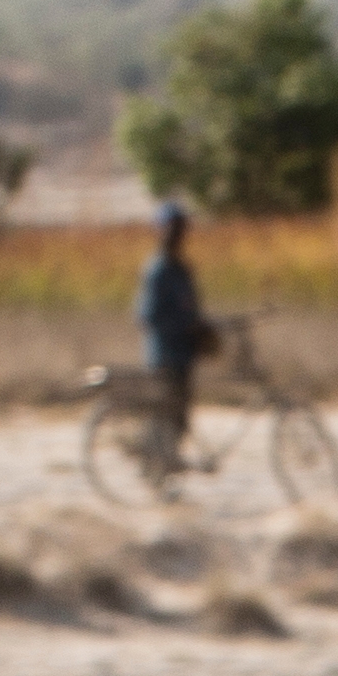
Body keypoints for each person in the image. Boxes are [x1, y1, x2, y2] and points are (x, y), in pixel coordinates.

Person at [132, 198, 215, 478]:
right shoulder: (157, 272)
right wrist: (184, 328)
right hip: (165, 356)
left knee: (180, 420)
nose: (177, 235)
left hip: (185, 355)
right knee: (165, 418)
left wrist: (201, 328)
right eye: (172, 229)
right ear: (162, 232)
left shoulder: (183, 271)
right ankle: (154, 470)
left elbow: (193, 309)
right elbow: (147, 317)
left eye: (181, 229)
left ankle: (165, 469)